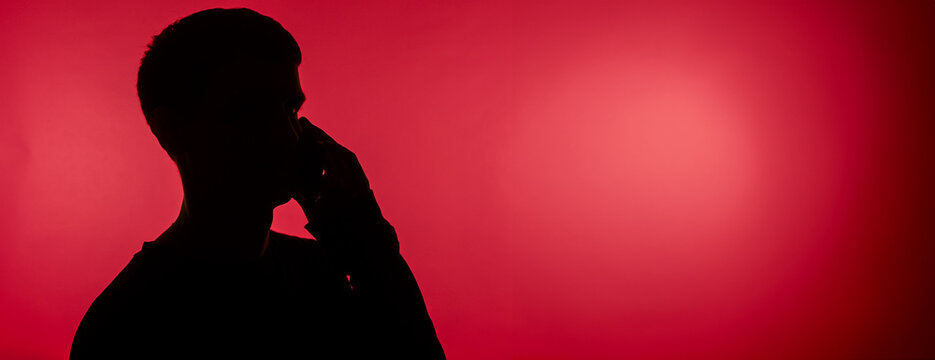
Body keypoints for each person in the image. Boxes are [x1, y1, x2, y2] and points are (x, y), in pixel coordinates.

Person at [69, 8, 445, 359]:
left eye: (291, 110)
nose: (289, 134)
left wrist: (370, 246)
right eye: (252, 111)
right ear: (173, 130)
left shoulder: (321, 274)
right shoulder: (125, 322)